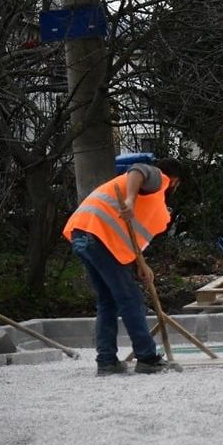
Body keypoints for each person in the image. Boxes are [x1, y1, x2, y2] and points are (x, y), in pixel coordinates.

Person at [62, 158, 185, 376]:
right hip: (99, 237)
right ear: (175, 181)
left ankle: (107, 361)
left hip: (84, 233)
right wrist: (129, 199)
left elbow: (130, 238)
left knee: (107, 300)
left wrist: (141, 264)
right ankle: (147, 358)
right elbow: (138, 170)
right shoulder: (159, 178)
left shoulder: (151, 201)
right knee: (130, 298)